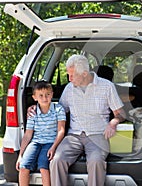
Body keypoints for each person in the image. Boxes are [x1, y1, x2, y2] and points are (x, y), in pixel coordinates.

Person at [50, 54, 126, 186]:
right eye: (68, 75)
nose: (69, 79)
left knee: (96, 161)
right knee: (57, 160)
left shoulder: (106, 86)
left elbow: (121, 114)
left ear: (85, 73)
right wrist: (37, 109)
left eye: (72, 75)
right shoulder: (69, 89)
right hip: (74, 135)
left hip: (98, 135)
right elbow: (59, 111)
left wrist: (114, 122)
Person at [16, 81, 66, 186]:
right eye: (41, 95)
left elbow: (61, 130)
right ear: (35, 97)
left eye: (47, 94)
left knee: (44, 167)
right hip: (35, 142)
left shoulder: (58, 109)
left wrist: (53, 147)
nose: (44, 98)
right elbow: (28, 134)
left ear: (52, 94)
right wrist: (20, 155)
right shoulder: (33, 112)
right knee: (23, 166)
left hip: (50, 143)